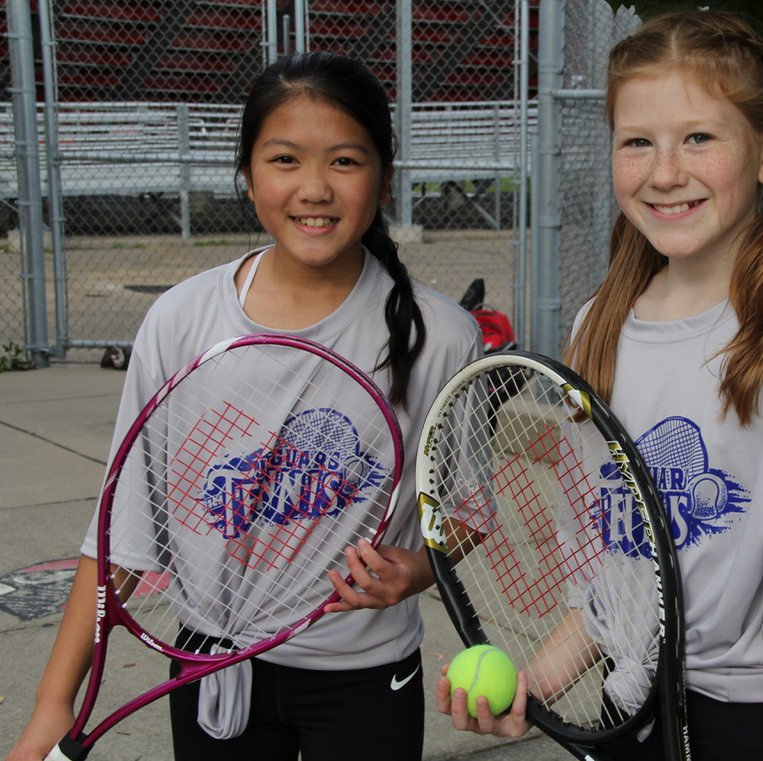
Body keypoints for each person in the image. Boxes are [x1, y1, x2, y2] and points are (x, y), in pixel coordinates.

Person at [6, 52, 481, 761]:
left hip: (364, 677)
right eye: (285, 158)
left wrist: (411, 571)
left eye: (345, 161)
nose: (314, 188)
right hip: (209, 667)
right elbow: (121, 538)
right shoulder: (180, 321)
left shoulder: (441, 336)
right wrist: (51, 705)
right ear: (248, 177)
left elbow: (465, 513)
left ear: (383, 178)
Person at [434, 11, 763, 760]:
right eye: (637, 141)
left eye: (699, 138)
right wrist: (537, 682)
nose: (665, 171)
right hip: (632, 711)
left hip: (760, 723)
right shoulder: (596, 327)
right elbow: (615, 572)